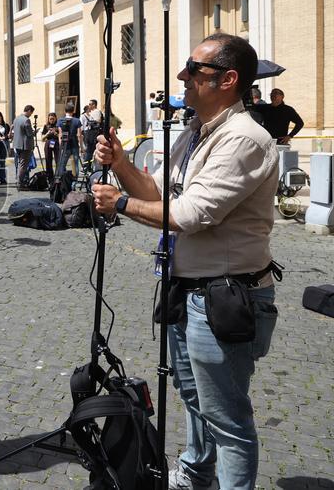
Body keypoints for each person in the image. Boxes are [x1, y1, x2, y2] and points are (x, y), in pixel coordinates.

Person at [92, 34, 279, 490]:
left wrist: (118, 205)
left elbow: (190, 215)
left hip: (225, 295)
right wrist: (121, 165)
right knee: (195, 400)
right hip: (187, 289)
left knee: (227, 416)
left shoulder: (244, 139)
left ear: (228, 80)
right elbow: (156, 193)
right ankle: (196, 476)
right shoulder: (195, 133)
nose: (183, 79)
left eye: (194, 71)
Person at [56, 101, 83, 177]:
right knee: (75, 164)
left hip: (65, 145)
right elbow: (79, 135)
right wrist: (81, 146)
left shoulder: (60, 121)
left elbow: (60, 134)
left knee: (62, 163)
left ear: (65, 111)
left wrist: (61, 145)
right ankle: (75, 180)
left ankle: (62, 179)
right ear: (73, 111)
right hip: (74, 144)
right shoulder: (77, 121)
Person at [11, 105, 35, 188]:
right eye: (31, 112)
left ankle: (19, 181)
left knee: (20, 163)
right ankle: (19, 182)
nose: (31, 114)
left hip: (17, 145)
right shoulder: (26, 120)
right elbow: (29, 134)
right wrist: (34, 132)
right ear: (28, 111)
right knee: (23, 165)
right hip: (25, 146)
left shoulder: (16, 119)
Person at [39, 112, 60, 180]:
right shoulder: (46, 126)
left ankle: (58, 175)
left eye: (53, 119)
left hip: (56, 143)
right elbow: (42, 138)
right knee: (48, 160)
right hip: (48, 143)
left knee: (58, 160)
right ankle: (50, 176)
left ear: (56, 118)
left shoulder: (58, 126)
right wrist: (47, 134)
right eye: (50, 119)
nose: (51, 120)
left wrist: (55, 133)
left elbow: (61, 136)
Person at [82, 99, 102, 163]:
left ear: (94, 105)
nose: (89, 106)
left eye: (90, 104)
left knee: (90, 150)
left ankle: (86, 166)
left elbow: (98, 121)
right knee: (90, 150)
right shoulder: (93, 112)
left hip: (93, 134)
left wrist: (91, 122)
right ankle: (88, 165)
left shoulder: (96, 112)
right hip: (91, 133)